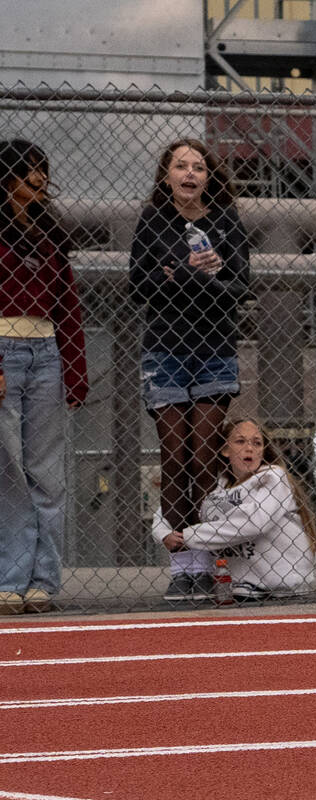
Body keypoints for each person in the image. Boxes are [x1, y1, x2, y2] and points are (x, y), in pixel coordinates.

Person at [129, 139, 249, 602]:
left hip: (215, 347)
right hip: (166, 350)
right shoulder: (153, 220)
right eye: (181, 165)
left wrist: (211, 275)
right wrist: (182, 271)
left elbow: (241, 285)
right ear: (166, 175)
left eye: (199, 166)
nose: (190, 173)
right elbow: (139, 284)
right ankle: (183, 567)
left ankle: (205, 561)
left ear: (209, 176)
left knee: (203, 459)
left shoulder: (225, 219)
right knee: (174, 457)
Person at [0, 140, 88, 615]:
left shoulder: (50, 235)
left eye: (43, 170)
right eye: (28, 170)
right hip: (4, 353)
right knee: (10, 471)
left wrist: (76, 373)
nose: (39, 179)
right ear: (6, 175)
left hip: (47, 354)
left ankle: (42, 582)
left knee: (48, 474)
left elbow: (68, 309)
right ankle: (9, 579)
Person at [156, 418, 316, 599]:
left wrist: (189, 537)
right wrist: (163, 533)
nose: (249, 448)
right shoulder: (218, 484)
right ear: (225, 450)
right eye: (240, 441)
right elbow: (171, 506)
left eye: (257, 443)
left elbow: (254, 522)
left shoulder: (273, 477)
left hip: (283, 577)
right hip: (241, 583)